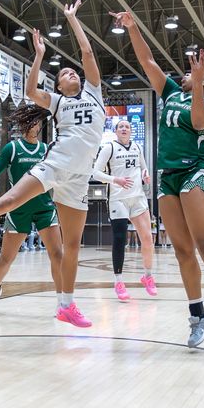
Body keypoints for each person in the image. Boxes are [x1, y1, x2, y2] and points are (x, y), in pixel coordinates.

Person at [112, 10, 204, 352]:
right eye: (190, 73)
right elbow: (148, 60)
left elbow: (199, 123)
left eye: (201, 77)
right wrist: (133, 27)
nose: (190, 75)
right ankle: (199, 316)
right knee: (182, 250)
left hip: (197, 169)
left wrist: (199, 84)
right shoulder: (169, 91)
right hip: (168, 174)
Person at [0, 0, 106, 329]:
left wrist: (72, 19)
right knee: (9, 200)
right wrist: (39, 56)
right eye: (65, 73)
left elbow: (88, 54)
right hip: (56, 163)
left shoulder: (94, 94)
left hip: (79, 177)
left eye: (74, 72)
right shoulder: (56, 102)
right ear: (58, 86)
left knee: (71, 247)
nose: (72, 73)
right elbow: (29, 90)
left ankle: (66, 305)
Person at [0, 106, 63, 314]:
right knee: (6, 258)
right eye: (28, 122)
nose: (32, 125)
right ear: (21, 125)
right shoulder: (12, 148)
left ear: (39, 125)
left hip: (44, 207)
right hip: (18, 210)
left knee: (57, 255)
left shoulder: (47, 150)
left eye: (35, 122)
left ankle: (63, 301)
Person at [92, 119, 156, 301]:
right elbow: (95, 173)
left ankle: (148, 276)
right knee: (120, 240)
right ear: (115, 131)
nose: (124, 128)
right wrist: (115, 180)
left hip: (137, 198)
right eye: (121, 126)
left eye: (127, 126)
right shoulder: (109, 148)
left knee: (147, 239)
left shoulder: (136, 146)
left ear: (130, 130)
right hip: (118, 198)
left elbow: (143, 168)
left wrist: (145, 175)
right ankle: (118, 281)